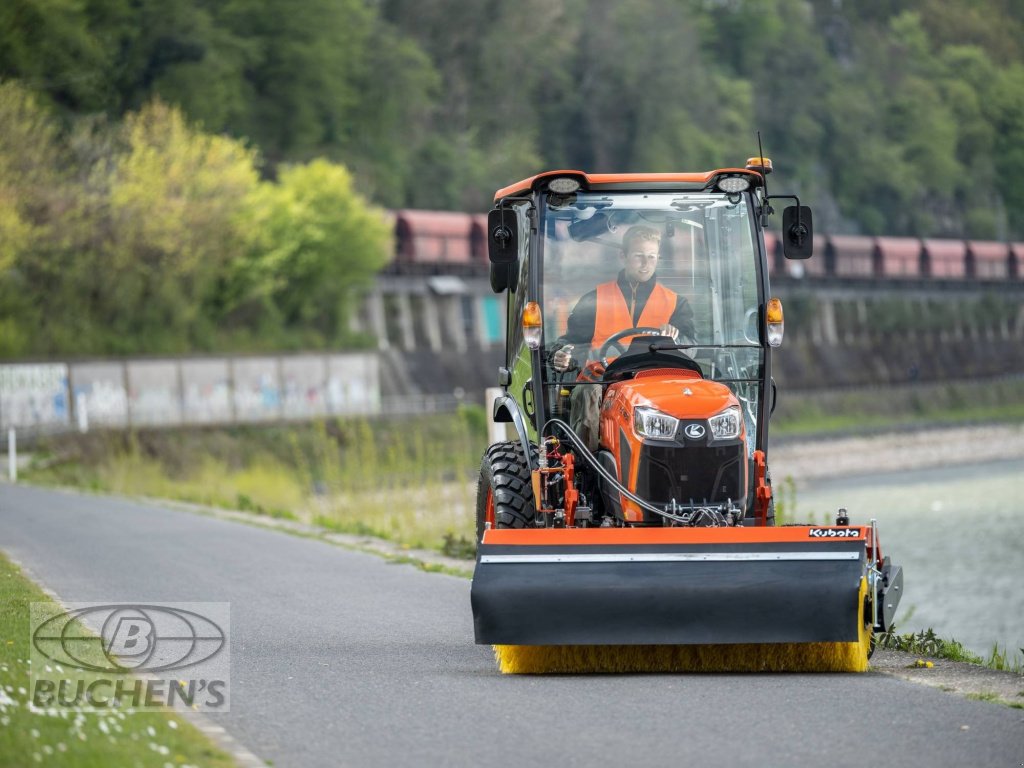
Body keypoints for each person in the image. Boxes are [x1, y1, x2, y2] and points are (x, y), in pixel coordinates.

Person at [551, 224, 696, 451]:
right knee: (588, 393)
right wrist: (562, 355)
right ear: (623, 256)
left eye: (651, 257)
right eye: (639, 256)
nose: (646, 263)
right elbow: (570, 342)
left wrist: (677, 340)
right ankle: (586, 467)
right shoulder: (595, 301)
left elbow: (692, 348)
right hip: (603, 380)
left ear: (658, 258)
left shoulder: (677, 304)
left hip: (657, 382)